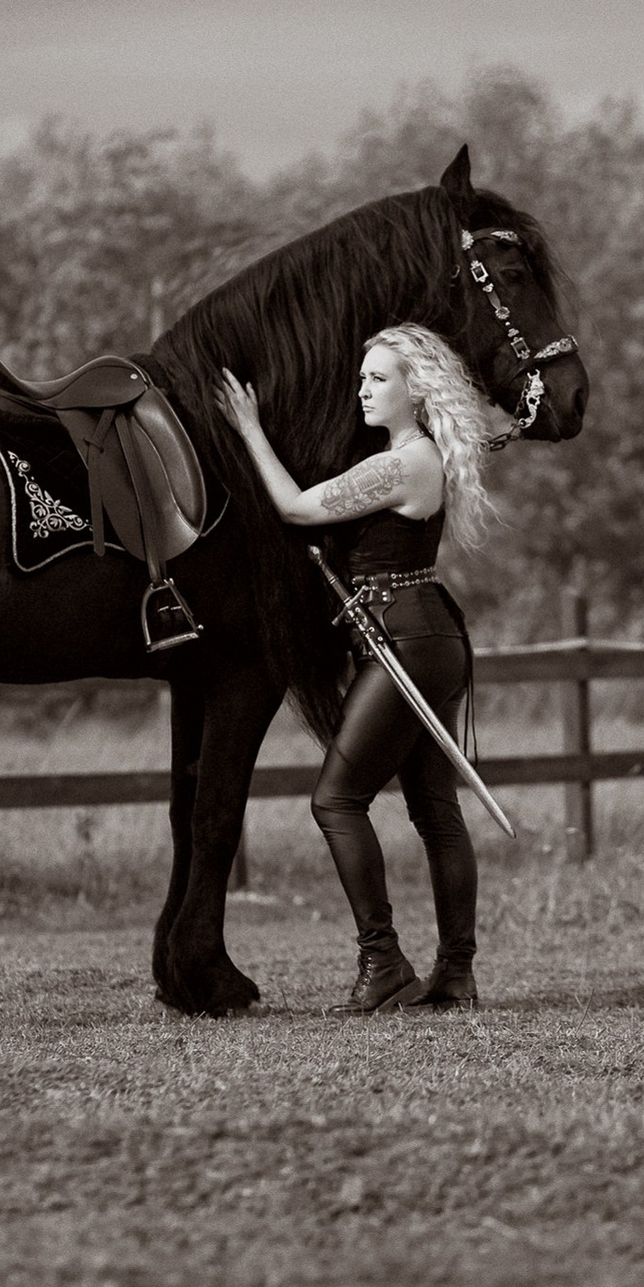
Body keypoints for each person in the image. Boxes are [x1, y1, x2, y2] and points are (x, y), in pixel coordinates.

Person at [218, 323, 497, 1014]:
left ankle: (385, 963)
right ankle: (454, 975)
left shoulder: (404, 464)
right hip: (420, 634)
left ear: (415, 390)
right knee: (435, 811)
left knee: (336, 800)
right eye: (362, 379)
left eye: (378, 379)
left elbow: (296, 508)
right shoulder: (411, 458)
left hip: (407, 640)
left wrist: (249, 429)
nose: (363, 391)